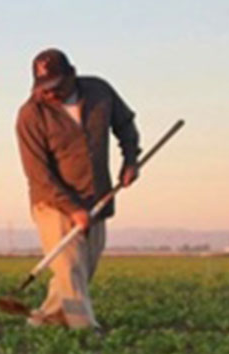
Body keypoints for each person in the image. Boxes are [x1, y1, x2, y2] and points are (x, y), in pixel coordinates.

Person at [14, 48, 140, 330]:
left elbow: (125, 124)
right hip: (53, 202)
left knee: (81, 269)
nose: (50, 94)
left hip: (97, 196)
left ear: (72, 75)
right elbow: (38, 174)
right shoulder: (30, 115)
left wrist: (131, 160)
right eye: (43, 88)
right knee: (70, 266)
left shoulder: (99, 91)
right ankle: (85, 329)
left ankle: (45, 319)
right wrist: (72, 209)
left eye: (55, 87)